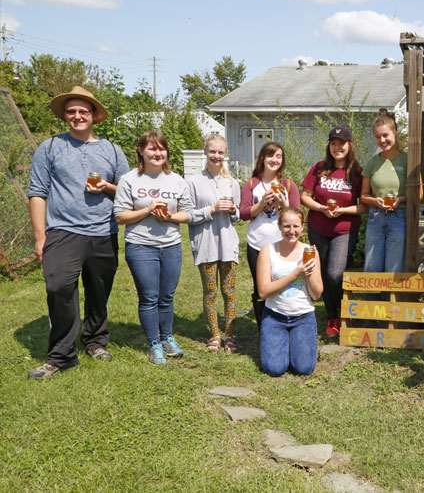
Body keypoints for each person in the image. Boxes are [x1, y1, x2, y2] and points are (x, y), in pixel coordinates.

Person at [27, 86, 130, 379]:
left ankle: (95, 340)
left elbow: (127, 191)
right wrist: (40, 236)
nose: (77, 116)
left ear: (94, 115)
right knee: (58, 287)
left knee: (99, 292)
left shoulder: (112, 150)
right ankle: (61, 355)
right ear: (65, 116)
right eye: (71, 111)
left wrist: (107, 187)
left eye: (83, 111)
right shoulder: (49, 148)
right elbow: (37, 193)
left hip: (103, 231)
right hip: (63, 231)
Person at [114, 131, 192, 365]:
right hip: (141, 246)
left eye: (161, 149)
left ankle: (167, 337)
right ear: (141, 151)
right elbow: (120, 216)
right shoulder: (129, 180)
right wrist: (147, 210)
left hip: (171, 246)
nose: (157, 153)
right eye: (152, 148)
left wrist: (169, 217)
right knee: (149, 297)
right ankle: (154, 343)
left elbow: (187, 213)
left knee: (167, 296)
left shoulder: (177, 180)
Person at [301, 126, 366, 337]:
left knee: (335, 274)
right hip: (318, 228)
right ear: (329, 146)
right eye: (334, 143)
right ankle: (332, 316)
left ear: (349, 145)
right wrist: (321, 208)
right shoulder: (319, 168)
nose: (337, 147)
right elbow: (305, 196)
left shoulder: (357, 171)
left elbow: (364, 206)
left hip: (344, 230)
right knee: (322, 274)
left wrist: (342, 211)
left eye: (342, 143)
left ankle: (345, 313)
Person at [186, 134, 241, 353]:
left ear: (225, 154)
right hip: (206, 244)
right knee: (210, 292)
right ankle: (215, 335)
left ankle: (230, 334)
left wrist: (232, 210)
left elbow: (237, 216)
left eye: (220, 152)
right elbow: (187, 214)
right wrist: (211, 210)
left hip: (228, 244)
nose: (216, 156)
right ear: (205, 152)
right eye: (212, 152)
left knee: (229, 291)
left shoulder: (231, 182)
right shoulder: (193, 181)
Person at [256, 207, 323, 376]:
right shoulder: (268, 250)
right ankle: (282, 342)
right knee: (274, 369)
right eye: (286, 226)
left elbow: (316, 294)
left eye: (295, 226)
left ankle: (293, 342)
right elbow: (263, 292)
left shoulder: (310, 251)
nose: (291, 231)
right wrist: (295, 274)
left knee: (304, 369)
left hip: (303, 317)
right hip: (274, 316)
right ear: (279, 227)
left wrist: (308, 273)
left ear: (302, 228)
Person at [240, 141, 300, 328]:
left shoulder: (289, 185)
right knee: (261, 287)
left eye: (278, 156)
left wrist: (284, 204)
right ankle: (263, 328)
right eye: (270, 155)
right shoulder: (251, 184)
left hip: (281, 245)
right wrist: (262, 203)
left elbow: (296, 215)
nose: (274, 160)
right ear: (262, 158)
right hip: (257, 244)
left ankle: (281, 324)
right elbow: (243, 213)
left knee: (281, 284)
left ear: (282, 161)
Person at [360, 109, 420, 273]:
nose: (382, 140)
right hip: (376, 217)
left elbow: (419, 194)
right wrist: (375, 201)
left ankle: (389, 299)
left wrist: (399, 200)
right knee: (372, 268)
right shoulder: (372, 162)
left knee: (393, 269)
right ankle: (370, 299)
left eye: (386, 135)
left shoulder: (408, 160)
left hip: (399, 217)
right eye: (378, 137)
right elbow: (364, 195)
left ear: (395, 133)